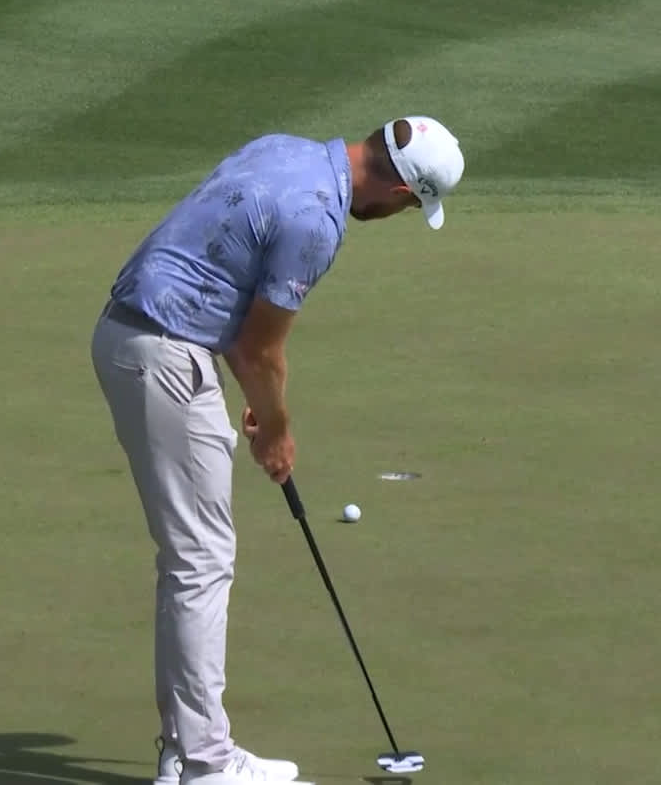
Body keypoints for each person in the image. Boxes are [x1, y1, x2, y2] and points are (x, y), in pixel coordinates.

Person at [89, 116, 465, 785]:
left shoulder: (285, 150)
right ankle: (207, 763)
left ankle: (182, 752)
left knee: (190, 558)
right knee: (200, 561)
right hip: (167, 353)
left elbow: (232, 306)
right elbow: (262, 349)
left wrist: (261, 415)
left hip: (135, 337)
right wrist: (279, 430)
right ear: (403, 191)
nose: (399, 214)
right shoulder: (319, 219)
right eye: (411, 207)